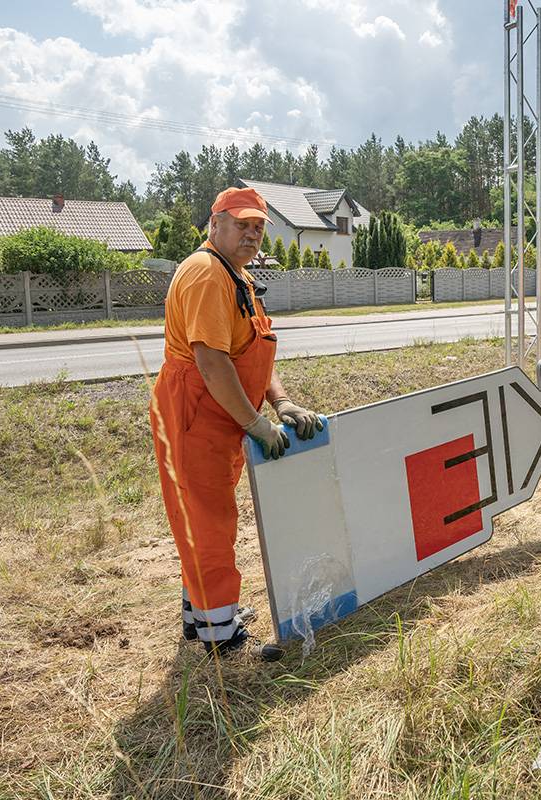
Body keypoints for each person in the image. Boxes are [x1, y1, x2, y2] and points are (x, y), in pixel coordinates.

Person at [150, 186, 323, 660]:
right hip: (197, 411)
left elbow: (253, 349)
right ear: (215, 224)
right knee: (209, 520)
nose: (251, 233)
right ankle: (221, 635)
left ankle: (202, 616)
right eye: (241, 224)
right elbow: (212, 362)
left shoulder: (236, 275)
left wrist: (281, 402)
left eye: (258, 227)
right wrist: (255, 423)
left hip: (219, 414)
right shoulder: (207, 274)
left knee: (207, 516)